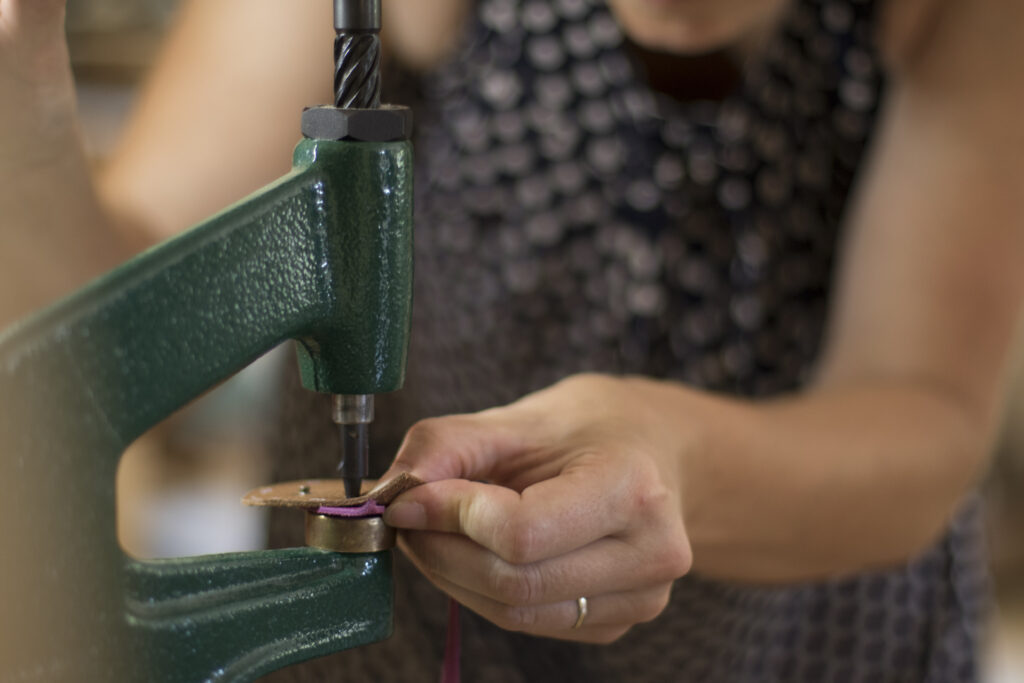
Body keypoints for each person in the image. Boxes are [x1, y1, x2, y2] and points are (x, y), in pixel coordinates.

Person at [1, 0, 1022, 680]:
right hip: (396, 646)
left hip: (809, 643)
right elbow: (114, 325)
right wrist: (31, 144)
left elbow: (925, 412)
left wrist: (676, 457)